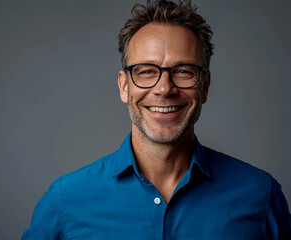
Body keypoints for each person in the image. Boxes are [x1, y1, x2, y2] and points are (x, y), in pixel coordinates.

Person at [22, 0, 291, 239]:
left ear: (205, 86)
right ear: (124, 86)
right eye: (147, 71)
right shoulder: (65, 202)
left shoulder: (260, 197)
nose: (164, 89)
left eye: (184, 71)